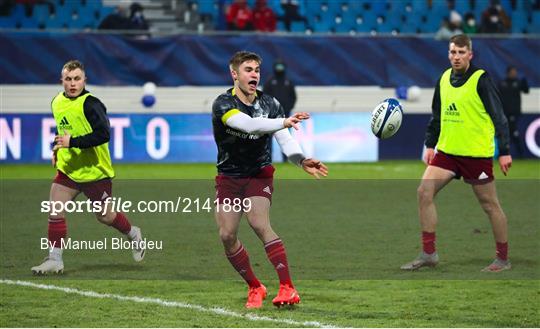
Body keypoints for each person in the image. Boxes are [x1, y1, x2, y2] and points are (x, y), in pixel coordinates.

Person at [212, 51, 328, 308]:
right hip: (229, 176)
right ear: (234, 74)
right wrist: (284, 121)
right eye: (248, 70)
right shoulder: (223, 104)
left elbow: (285, 139)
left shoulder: (271, 104)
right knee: (227, 235)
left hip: (258, 173)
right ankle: (256, 286)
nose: (254, 75)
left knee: (258, 221)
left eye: (256, 70)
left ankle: (288, 287)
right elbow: (248, 125)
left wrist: (301, 159)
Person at [400, 35, 512, 273]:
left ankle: (502, 259)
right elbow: (437, 115)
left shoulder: (481, 80)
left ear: (470, 54)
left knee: (490, 205)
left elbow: (499, 117)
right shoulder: (443, 79)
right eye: (453, 52)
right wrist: (430, 145)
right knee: (424, 191)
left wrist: (504, 151)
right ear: (448, 54)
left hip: (476, 155)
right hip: (448, 152)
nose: (457, 57)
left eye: (461, 52)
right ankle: (429, 254)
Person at [31, 60, 145, 275]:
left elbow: (103, 135)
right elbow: (63, 130)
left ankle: (133, 233)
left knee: (105, 217)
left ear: (84, 80)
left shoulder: (91, 104)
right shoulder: (56, 102)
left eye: (77, 79)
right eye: (68, 79)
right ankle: (55, 259)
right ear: (61, 81)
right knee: (55, 210)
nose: (73, 84)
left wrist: (71, 142)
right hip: (69, 170)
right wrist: (56, 149)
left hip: (95, 173)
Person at [263, 60, 297, 162]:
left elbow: (293, 97)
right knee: (268, 138)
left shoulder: (288, 81)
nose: (279, 68)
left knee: (285, 138)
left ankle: (285, 159)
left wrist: (288, 108)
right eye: (278, 66)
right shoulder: (269, 81)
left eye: (281, 66)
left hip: (285, 116)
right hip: (271, 116)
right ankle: (268, 159)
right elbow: (264, 97)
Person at [498, 66, 529, 158]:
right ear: (508, 73)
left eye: (515, 72)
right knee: (507, 133)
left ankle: (517, 153)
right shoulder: (502, 83)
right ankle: (507, 153)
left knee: (513, 132)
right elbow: (497, 96)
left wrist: (525, 82)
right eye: (512, 72)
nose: (514, 73)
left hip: (514, 113)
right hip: (503, 113)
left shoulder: (518, 82)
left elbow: (526, 91)